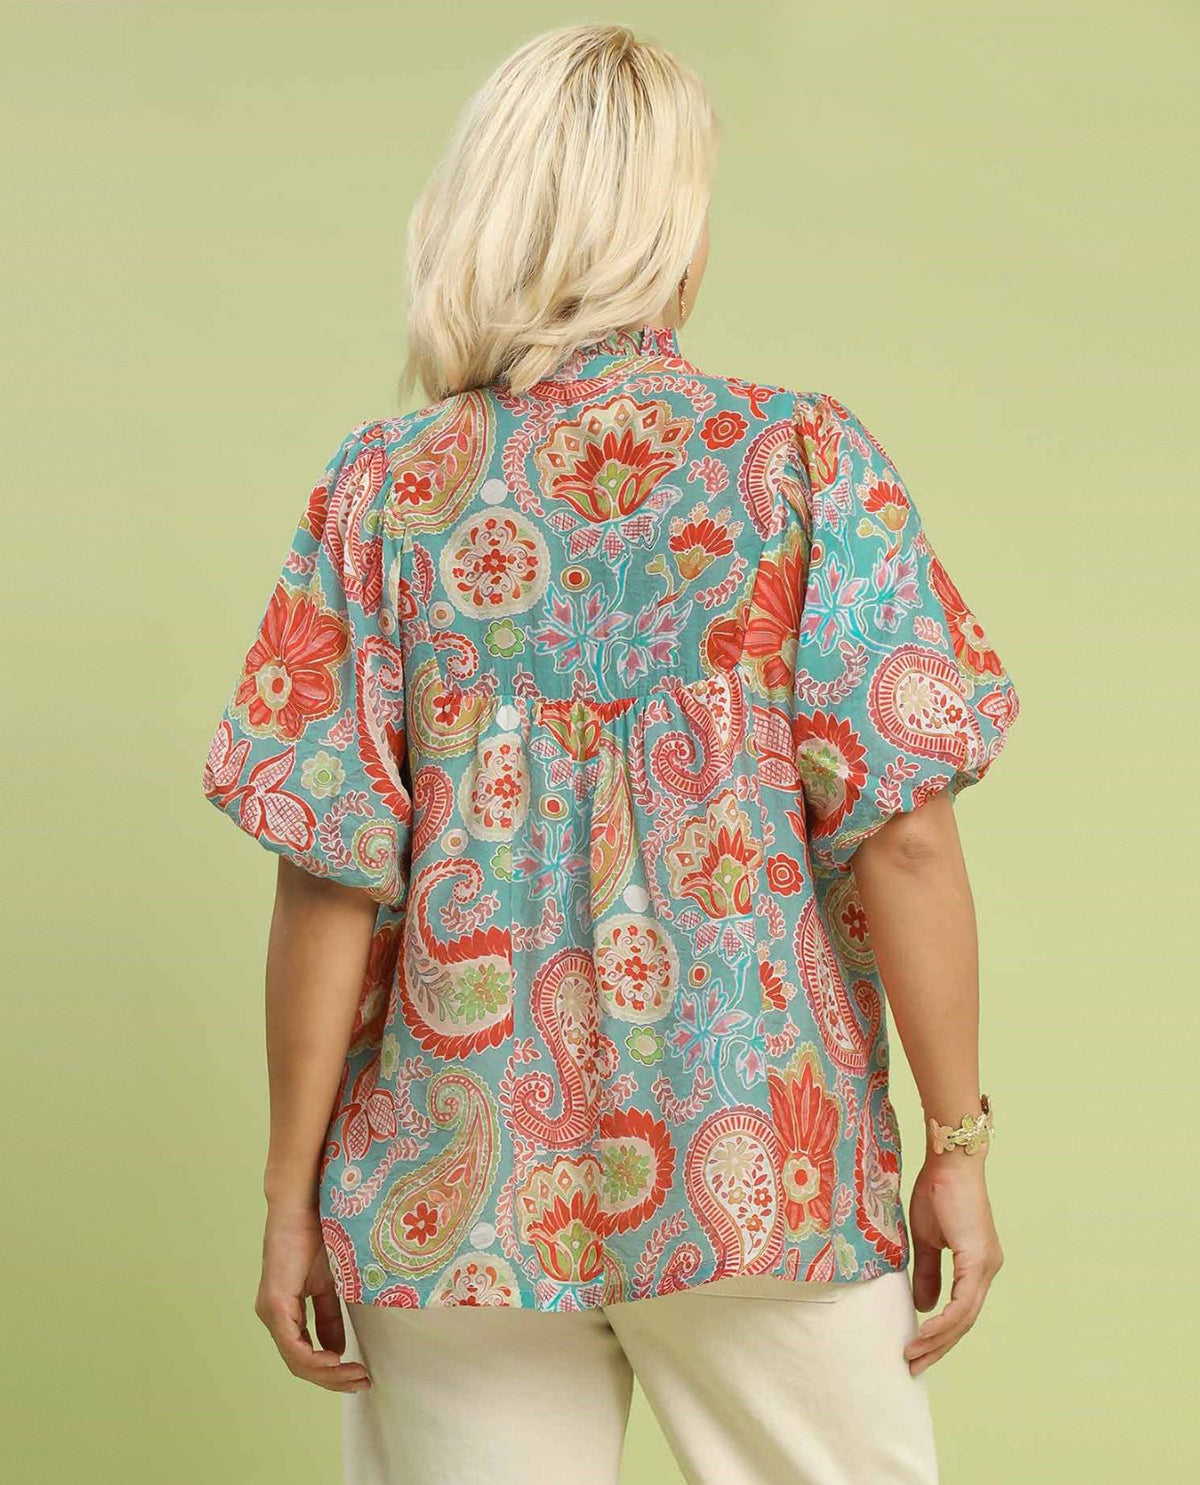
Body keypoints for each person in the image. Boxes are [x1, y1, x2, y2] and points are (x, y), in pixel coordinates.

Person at [200, 22, 1020, 1485]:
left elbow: (328, 869)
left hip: (452, 1189)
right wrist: (956, 1143)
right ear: (671, 231)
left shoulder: (381, 496)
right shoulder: (801, 466)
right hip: (759, 1162)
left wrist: (289, 1194)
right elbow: (903, 834)